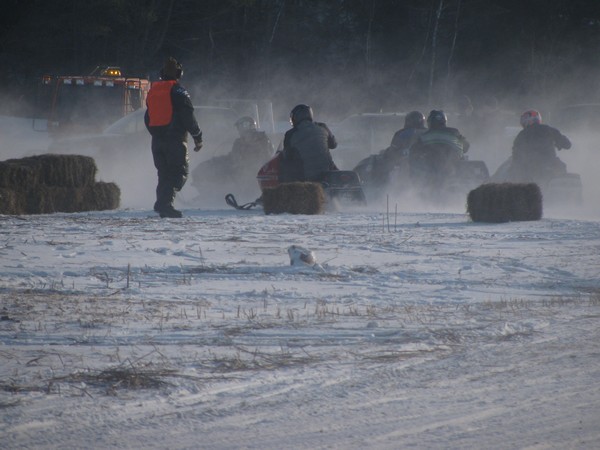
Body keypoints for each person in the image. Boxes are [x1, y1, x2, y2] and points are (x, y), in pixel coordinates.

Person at [144, 57, 203, 218]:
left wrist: (156, 133)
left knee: (163, 173)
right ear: (179, 73)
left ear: (162, 73)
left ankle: (161, 203)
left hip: (157, 141)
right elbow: (188, 116)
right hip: (175, 140)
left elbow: (147, 117)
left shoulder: (153, 91)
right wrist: (198, 136)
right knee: (178, 173)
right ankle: (165, 205)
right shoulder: (179, 91)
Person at [353, 111, 426, 192]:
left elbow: (393, 150)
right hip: (422, 165)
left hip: (401, 166)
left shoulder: (401, 133)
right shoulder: (427, 133)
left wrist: (387, 154)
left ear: (408, 121)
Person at [409, 109, 470, 193]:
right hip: (453, 169)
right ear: (444, 121)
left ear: (429, 122)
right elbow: (466, 146)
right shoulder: (455, 132)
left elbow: (413, 151)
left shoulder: (424, 136)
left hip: (431, 171)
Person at [279, 104, 338, 182]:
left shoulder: (291, 134)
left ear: (295, 117)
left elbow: (287, 156)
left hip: (307, 177)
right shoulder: (322, 127)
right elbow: (334, 145)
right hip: (329, 172)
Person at [510, 109, 571, 183]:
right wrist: (558, 143)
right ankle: (564, 188)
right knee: (562, 169)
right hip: (550, 164)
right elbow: (567, 145)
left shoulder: (521, 135)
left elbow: (516, 156)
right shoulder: (548, 129)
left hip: (529, 168)